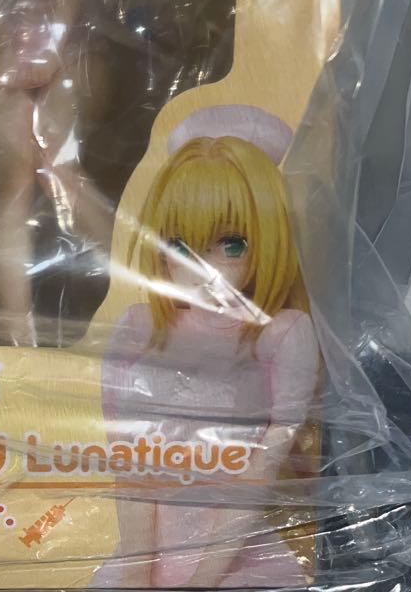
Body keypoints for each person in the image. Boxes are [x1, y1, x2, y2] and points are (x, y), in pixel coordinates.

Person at [94, 107, 319, 587]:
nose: (203, 269)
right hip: (146, 555)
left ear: (267, 240)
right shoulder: (140, 328)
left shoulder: (280, 334)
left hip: (234, 561)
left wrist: (205, 578)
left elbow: (258, 474)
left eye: (231, 245)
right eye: (181, 247)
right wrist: (136, 571)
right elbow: (129, 468)